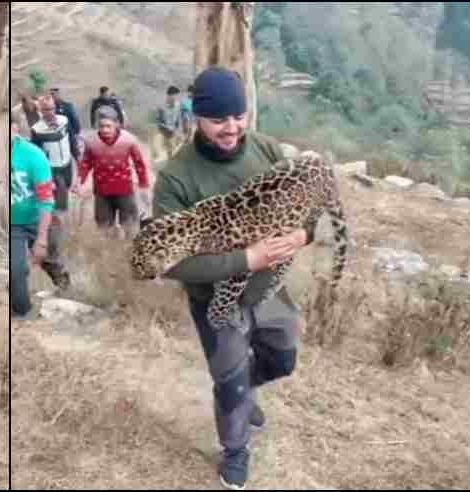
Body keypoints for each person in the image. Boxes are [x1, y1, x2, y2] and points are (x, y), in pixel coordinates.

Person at [151, 67, 313, 490]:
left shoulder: (266, 150)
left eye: (239, 116)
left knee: (283, 359)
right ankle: (235, 448)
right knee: (231, 382)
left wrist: (302, 233)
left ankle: (243, 390)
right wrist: (248, 257)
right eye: (219, 119)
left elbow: (306, 206)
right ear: (198, 117)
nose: (232, 128)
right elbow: (172, 261)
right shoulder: (177, 178)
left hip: (270, 290)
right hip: (214, 300)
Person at [76, 106, 149, 239]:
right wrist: (79, 181)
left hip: (124, 190)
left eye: (108, 126)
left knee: (130, 227)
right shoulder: (92, 142)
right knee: (104, 228)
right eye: (101, 126)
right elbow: (86, 164)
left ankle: (128, 253)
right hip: (102, 192)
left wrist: (143, 183)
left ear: (117, 124)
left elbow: (139, 163)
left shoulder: (128, 140)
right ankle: (111, 252)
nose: (104, 130)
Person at [9, 118, 57, 319]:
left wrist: (41, 238)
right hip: (13, 225)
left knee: (54, 262)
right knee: (17, 269)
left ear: (15, 128)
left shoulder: (33, 155)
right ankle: (22, 313)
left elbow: (46, 199)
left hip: (38, 219)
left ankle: (70, 296)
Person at [28, 94, 77, 291]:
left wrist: (79, 169)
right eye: (45, 110)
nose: (50, 113)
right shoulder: (37, 130)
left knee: (62, 210)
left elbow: (72, 143)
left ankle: (58, 238)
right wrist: (47, 179)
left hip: (66, 168)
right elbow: (38, 157)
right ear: (40, 111)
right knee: (58, 213)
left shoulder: (64, 121)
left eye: (52, 108)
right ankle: (54, 244)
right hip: (52, 172)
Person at [156, 85, 185, 160]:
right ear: (169, 96)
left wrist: (179, 128)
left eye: (177, 96)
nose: (176, 98)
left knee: (178, 145)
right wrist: (166, 128)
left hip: (175, 131)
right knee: (170, 149)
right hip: (166, 132)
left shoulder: (178, 105)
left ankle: (172, 156)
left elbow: (179, 118)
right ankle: (169, 158)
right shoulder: (161, 107)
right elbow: (158, 122)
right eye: (174, 96)